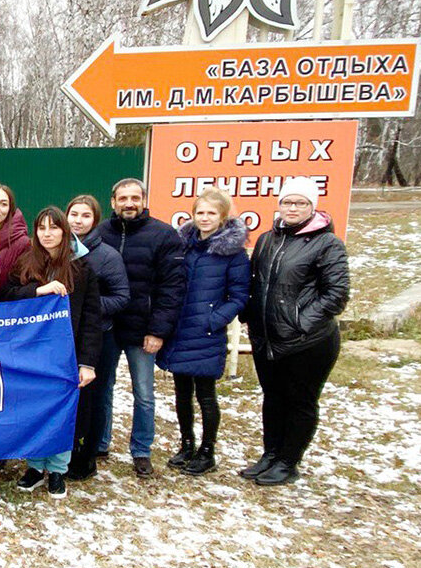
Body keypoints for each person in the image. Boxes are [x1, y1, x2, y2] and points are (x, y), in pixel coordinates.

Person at [241, 177, 349, 486]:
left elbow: (336, 294)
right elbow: (256, 282)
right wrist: (250, 314)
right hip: (267, 337)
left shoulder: (327, 244)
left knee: (300, 401)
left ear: (312, 207)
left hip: (308, 342)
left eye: (300, 203)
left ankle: (289, 461)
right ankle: (270, 454)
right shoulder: (267, 239)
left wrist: (300, 323)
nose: (292, 208)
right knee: (273, 398)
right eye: (288, 202)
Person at [2, 207, 101, 499]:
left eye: (53, 228)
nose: (47, 233)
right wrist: (37, 291)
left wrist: (87, 363)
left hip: (65, 354)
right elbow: (7, 296)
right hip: (31, 352)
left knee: (61, 411)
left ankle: (58, 469)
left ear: (64, 231)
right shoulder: (25, 262)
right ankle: (34, 466)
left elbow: (92, 319)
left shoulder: (82, 268)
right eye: (42, 228)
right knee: (35, 408)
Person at [92, 178, 186, 477]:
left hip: (142, 328)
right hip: (107, 326)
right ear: (113, 202)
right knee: (102, 388)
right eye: (123, 198)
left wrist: (158, 330)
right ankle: (100, 442)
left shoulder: (163, 235)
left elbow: (172, 288)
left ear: (144, 200)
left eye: (135, 197)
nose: (129, 203)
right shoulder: (99, 233)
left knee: (144, 392)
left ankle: (141, 449)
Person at [155, 189, 250, 476]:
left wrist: (215, 320)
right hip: (180, 328)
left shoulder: (233, 253)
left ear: (222, 217)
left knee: (206, 394)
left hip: (206, 331)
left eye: (211, 213)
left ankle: (207, 450)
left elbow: (240, 294)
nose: (205, 218)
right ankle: (187, 444)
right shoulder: (184, 246)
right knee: (182, 392)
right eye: (200, 213)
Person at [65, 195, 130, 480]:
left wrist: (85, 309)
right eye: (74, 214)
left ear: (95, 220)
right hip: (64, 339)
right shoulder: (59, 250)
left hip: (98, 337)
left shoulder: (107, 256)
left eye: (85, 216)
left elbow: (121, 297)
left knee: (95, 396)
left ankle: (90, 454)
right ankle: (67, 450)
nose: (78, 220)